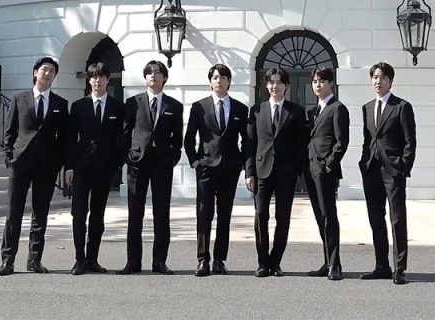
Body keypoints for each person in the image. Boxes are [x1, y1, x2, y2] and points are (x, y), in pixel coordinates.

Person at [0, 56, 69, 276]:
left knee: (40, 214)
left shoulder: (60, 104)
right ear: (35, 72)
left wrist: (59, 162)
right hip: (20, 163)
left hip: (46, 165)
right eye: (44, 69)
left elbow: (64, 137)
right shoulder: (19, 99)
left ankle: (34, 260)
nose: (48, 74)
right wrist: (9, 158)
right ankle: (8, 260)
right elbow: (9, 132)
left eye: (52, 71)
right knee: (14, 213)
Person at [118, 60, 184, 275]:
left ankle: (159, 261)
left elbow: (178, 138)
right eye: (149, 72)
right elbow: (125, 132)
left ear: (164, 77)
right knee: (135, 213)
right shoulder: (133, 103)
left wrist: (173, 157)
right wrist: (128, 156)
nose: (153, 75)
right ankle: (133, 262)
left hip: (162, 163)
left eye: (157, 72)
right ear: (145, 78)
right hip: (138, 162)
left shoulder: (174, 106)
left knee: (161, 213)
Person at [183, 63, 250, 277]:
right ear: (210, 82)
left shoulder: (240, 108)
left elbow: (246, 141)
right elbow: (188, 139)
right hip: (206, 168)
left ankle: (220, 259)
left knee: (224, 214)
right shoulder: (199, 107)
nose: (218, 81)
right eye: (215, 77)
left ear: (229, 81)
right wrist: (196, 163)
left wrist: (242, 164)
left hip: (230, 168)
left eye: (222, 77)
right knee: (204, 214)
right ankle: (203, 260)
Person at [245, 67, 307, 278]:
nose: (275, 86)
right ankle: (263, 262)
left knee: (283, 217)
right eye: (271, 82)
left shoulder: (296, 111)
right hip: (261, 171)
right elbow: (250, 143)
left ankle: (276, 261)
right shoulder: (256, 110)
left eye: (279, 82)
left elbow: (301, 143)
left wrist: (297, 169)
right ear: (266, 85)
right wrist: (249, 172)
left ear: (287, 86)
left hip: (286, 173)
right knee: (260, 216)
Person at [64, 62, 126, 275]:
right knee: (79, 213)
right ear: (88, 80)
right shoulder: (78, 106)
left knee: (98, 215)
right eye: (93, 76)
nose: (97, 80)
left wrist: (118, 162)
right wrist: (69, 167)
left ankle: (93, 259)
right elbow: (70, 139)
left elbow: (122, 137)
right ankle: (79, 259)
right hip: (81, 168)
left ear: (108, 80)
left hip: (105, 168)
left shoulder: (117, 107)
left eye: (101, 76)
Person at [359, 62, 416, 284]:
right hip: (371, 169)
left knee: (397, 219)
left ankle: (399, 268)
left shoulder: (401, 106)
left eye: (383, 77)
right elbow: (368, 139)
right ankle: (381, 266)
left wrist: (403, 166)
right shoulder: (366, 107)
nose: (378, 81)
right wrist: (364, 162)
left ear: (390, 81)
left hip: (393, 170)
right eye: (375, 77)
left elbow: (410, 141)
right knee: (376, 219)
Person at [304, 67, 350, 281]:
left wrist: (328, 165)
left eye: (322, 81)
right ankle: (326, 261)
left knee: (329, 217)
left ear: (331, 83)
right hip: (311, 170)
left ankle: (335, 264)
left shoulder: (337, 108)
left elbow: (342, 142)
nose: (317, 85)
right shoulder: (314, 111)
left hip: (326, 171)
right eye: (315, 81)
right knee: (319, 217)